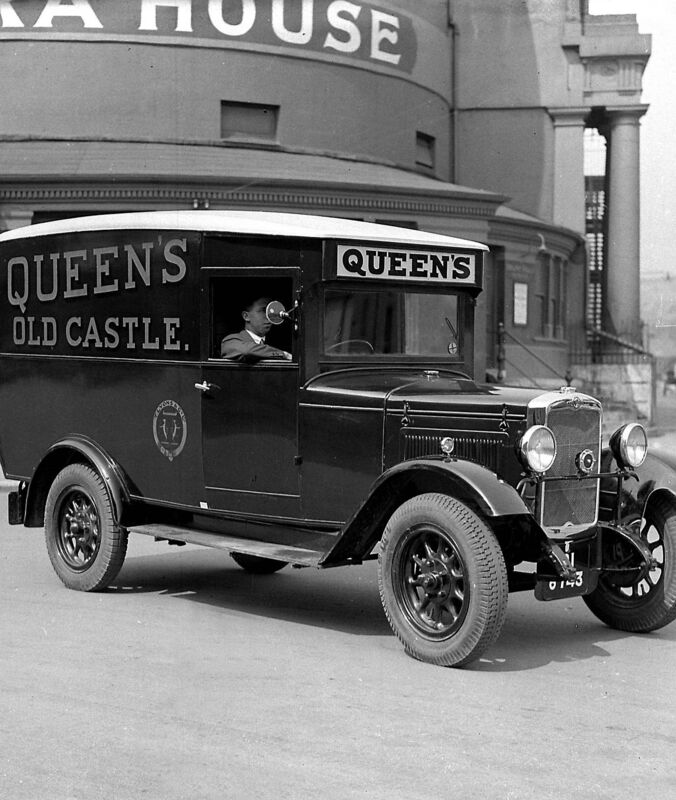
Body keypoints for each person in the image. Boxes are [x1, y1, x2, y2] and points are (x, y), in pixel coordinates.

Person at [221, 296, 292, 362]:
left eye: (270, 311)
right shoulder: (230, 341)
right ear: (246, 316)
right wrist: (283, 354)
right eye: (263, 311)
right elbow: (246, 351)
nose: (269, 316)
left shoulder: (280, 342)